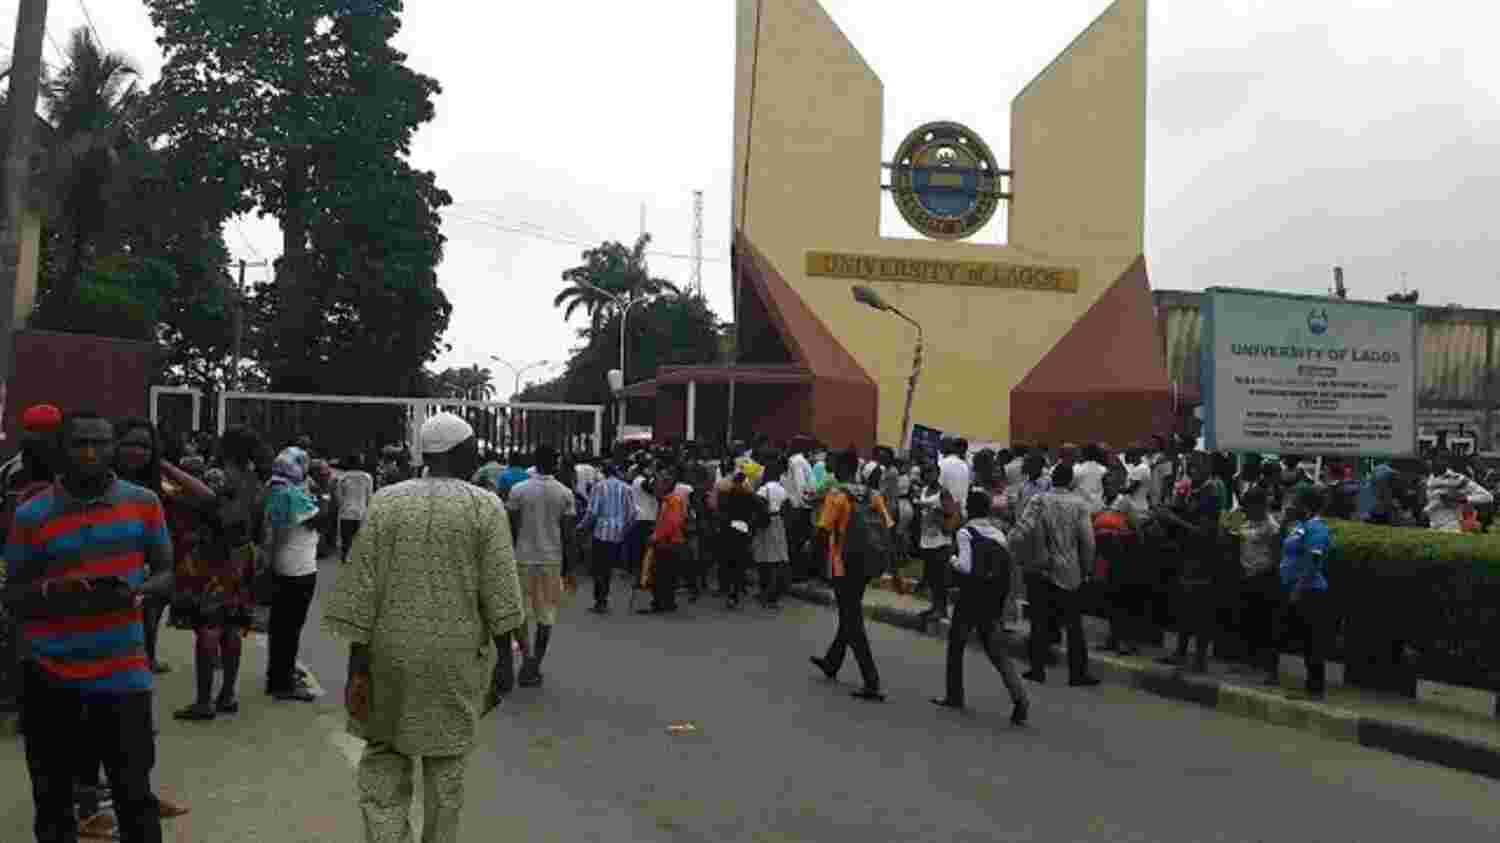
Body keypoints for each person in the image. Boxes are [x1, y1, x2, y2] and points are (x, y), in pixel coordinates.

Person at [324, 412, 524, 843]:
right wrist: (505, 659)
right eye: (472, 447)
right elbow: (500, 589)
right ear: (457, 451)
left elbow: (364, 588)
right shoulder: (483, 504)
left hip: (387, 654)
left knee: (382, 757)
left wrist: (357, 667)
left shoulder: (387, 501)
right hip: (454, 659)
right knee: (446, 766)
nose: (477, 455)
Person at [5, 411, 176, 843]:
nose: (90, 452)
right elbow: (12, 593)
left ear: (111, 448)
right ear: (62, 449)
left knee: (134, 796)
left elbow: (166, 571)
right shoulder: (31, 514)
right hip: (49, 676)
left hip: (123, 675)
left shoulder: (143, 502)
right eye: (80, 442)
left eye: (100, 443)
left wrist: (138, 590)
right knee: (53, 801)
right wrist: (53, 593)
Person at [169, 427, 266, 722]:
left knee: (208, 628)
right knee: (233, 628)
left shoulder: (224, 476)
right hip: (241, 560)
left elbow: (209, 504)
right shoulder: (256, 481)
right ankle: (227, 694)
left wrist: (168, 471)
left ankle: (203, 701)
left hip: (214, 559)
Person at [931, 491, 1030, 724]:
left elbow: (966, 566)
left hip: (970, 596)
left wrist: (953, 560)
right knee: (997, 652)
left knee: (956, 645)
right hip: (992, 598)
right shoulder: (998, 533)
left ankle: (954, 695)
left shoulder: (966, 532)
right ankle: (1020, 698)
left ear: (969, 509)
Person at [808, 449, 893, 702]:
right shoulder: (872, 494)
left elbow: (823, 532)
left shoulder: (836, 496)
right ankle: (832, 662)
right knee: (850, 611)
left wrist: (814, 562)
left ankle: (872, 681)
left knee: (851, 619)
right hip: (867, 563)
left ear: (840, 467)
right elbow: (888, 527)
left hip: (842, 564)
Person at [1010, 463, 1100, 687]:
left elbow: (1021, 531)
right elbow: (1088, 541)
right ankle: (1077, 674)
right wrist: (1087, 569)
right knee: (1073, 625)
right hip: (1069, 572)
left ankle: (1037, 669)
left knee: (1039, 620)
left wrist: (1018, 552)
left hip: (1041, 569)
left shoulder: (1039, 500)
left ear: (1052, 479)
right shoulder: (1079, 505)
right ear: (1071, 482)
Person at [505, 445, 575, 687]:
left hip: (522, 558)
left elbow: (511, 527)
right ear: (555, 463)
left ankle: (527, 657)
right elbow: (568, 535)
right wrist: (570, 568)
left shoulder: (518, 491)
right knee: (546, 615)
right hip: (551, 560)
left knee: (520, 613)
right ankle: (535, 665)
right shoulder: (564, 493)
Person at [263, 447, 323, 702]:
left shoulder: (277, 489)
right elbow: (317, 521)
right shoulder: (290, 495)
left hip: (287, 567)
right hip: (296, 569)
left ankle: (279, 674)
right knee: (289, 628)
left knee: (281, 627)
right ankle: (282, 682)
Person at [1279, 487, 1333, 699]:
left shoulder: (1318, 528)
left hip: (1310, 591)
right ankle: (1309, 685)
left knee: (1312, 642)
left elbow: (1314, 560)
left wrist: (1299, 588)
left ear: (1307, 506)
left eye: (1296, 502)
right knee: (1302, 640)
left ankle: (1315, 688)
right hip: (1294, 588)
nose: (1292, 506)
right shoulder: (1300, 527)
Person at [1230, 487, 1282, 685]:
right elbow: (1230, 530)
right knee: (1246, 621)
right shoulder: (1246, 521)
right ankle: (1248, 662)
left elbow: (1276, 556)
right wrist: (1235, 516)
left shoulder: (1272, 527)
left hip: (1264, 578)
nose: (1246, 510)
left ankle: (1269, 669)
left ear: (1260, 506)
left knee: (1266, 625)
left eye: (1249, 507)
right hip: (1246, 576)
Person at [583, 462, 636, 614]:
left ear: (604, 473)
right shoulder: (626, 488)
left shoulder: (599, 487)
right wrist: (625, 529)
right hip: (618, 534)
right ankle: (603, 598)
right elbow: (632, 513)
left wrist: (582, 527)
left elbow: (592, 512)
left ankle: (600, 600)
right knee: (608, 567)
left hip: (601, 532)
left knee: (599, 567)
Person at [642, 467, 688, 614]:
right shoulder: (668, 501)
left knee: (663, 574)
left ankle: (663, 602)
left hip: (669, 543)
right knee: (665, 574)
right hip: (668, 542)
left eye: (659, 485)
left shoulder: (672, 501)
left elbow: (671, 524)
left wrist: (655, 537)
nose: (656, 488)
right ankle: (665, 602)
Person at [914, 463, 952, 623]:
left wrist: (938, 512)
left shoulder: (944, 492)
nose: (928, 475)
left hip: (941, 540)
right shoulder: (923, 491)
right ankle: (934, 606)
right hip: (926, 539)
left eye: (931, 472)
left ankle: (942, 609)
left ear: (938, 473)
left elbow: (951, 513)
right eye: (926, 472)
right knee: (931, 576)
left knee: (940, 578)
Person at [716, 467, 758, 609]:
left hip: (729, 530)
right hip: (742, 530)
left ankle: (731, 591)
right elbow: (755, 511)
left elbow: (722, 512)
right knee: (739, 561)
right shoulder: (748, 495)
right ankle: (737, 589)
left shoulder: (728, 494)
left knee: (730, 560)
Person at [753, 456, 791, 608]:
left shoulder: (763, 490)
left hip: (765, 526)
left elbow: (757, 509)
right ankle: (773, 594)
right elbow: (787, 510)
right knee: (777, 559)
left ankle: (765, 593)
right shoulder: (783, 490)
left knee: (764, 559)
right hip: (779, 524)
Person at [1424, 455, 1492, 533]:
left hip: (1451, 528)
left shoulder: (1457, 478)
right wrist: (1426, 510)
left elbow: (1487, 496)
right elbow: (1435, 502)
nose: (1442, 462)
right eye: (1433, 460)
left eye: (1444, 459)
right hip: (1433, 527)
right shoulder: (1430, 479)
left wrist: (1463, 499)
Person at [335, 455, 376, 563]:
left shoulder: (342, 478)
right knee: (361, 537)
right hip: (362, 512)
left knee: (346, 538)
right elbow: (370, 496)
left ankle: (345, 556)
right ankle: (361, 558)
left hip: (346, 512)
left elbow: (339, 497)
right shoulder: (367, 477)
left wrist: (342, 506)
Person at [1073, 444, 1109, 516]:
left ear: (1084, 454)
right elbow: (1107, 489)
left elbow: (1071, 487)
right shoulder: (1103, 469)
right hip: (1097, 508)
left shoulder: (1076, 469)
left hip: (1081, 508)